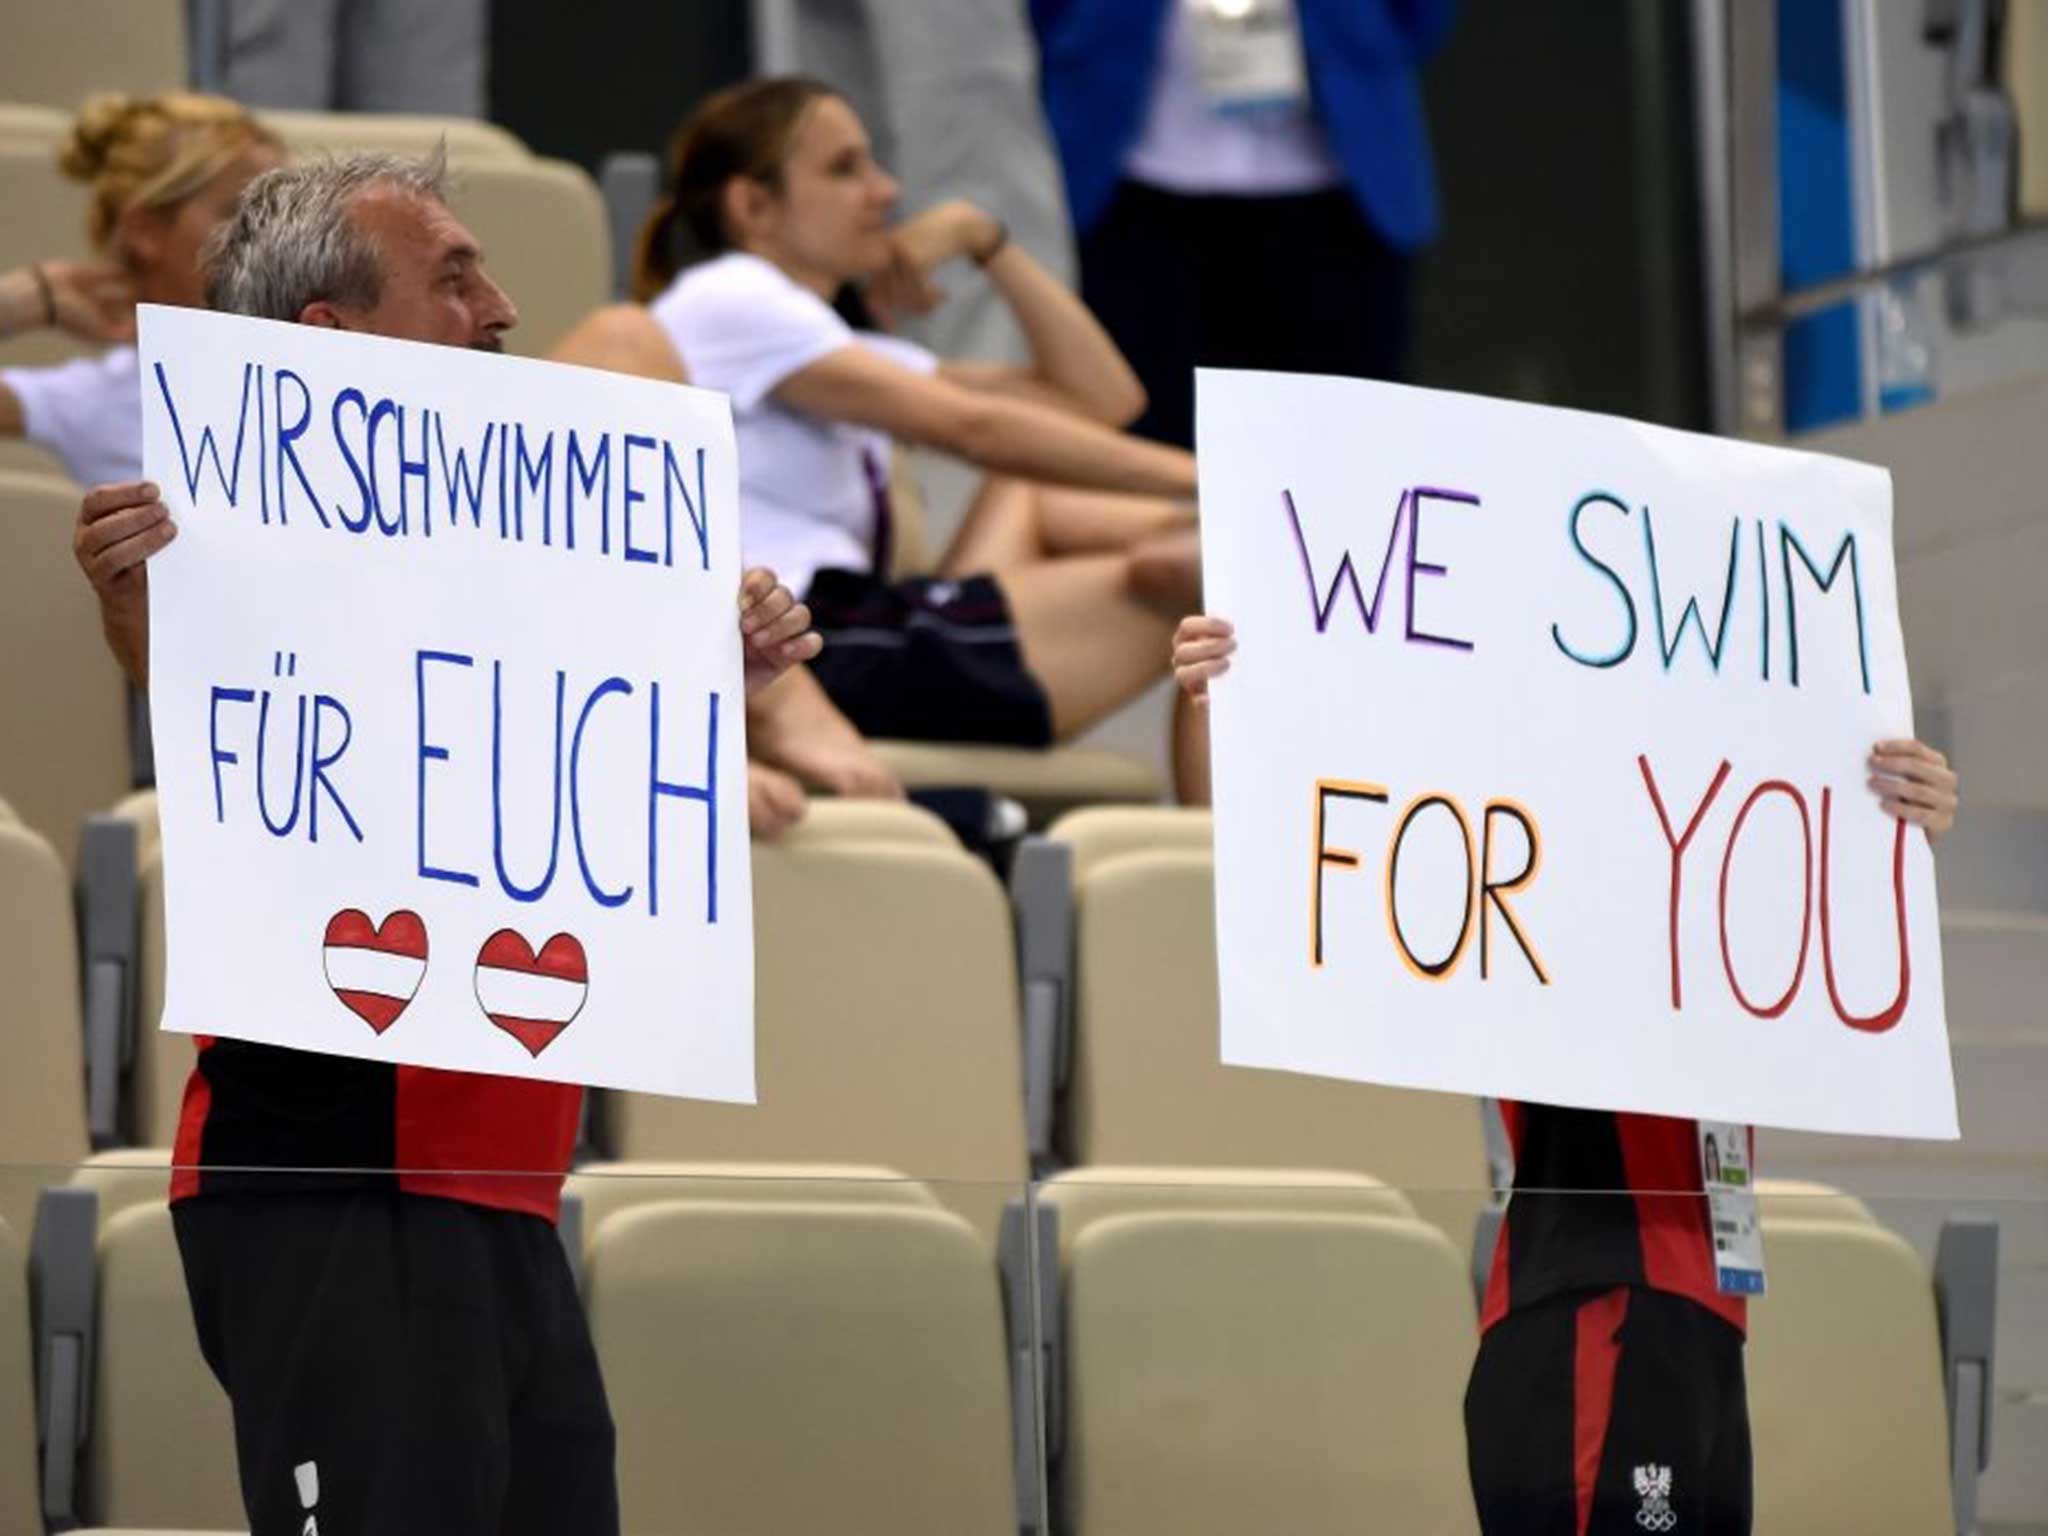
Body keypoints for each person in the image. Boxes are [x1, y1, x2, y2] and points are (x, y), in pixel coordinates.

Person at [69, 150, 821, 1536]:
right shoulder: (225, 546)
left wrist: (715, 675)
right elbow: (199, 680)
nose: (503, 307)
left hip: (509, 1179)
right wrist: (137, 609)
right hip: (336, 1170)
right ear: (333, 340)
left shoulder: (533, 555)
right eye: (457, 276)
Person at [1171, 612, 1961, 1534]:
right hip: (1592, 1299)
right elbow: (1335, 847)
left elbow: (1820, 917)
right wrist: (1248, 697)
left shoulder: (1722, 876)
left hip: (1702, 1316)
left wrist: (1897, 830)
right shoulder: (1542, 863)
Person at [636, 76, 1211, 801]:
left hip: (864, 623)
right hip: (814, 641)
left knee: (1044, 486)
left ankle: (1233, 538)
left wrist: (984, 238)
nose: (885, 190)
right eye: (845, 169)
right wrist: (1217, 478)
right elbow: (974, 429)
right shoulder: (732, 296)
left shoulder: (824, 340)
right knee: (1214, 590)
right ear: (753, 206)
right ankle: (1224, 891)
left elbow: (1099, 400)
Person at [1031, 0, 1456, 447]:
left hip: (1334, 189)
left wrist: (1366, 44)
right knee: (1140, 427)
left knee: (1339, 435)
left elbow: (1420, 18)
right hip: (1134, 183)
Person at [0, 92, 284, 485]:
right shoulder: (95, 400)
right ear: (145, 230)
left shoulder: (327, 355)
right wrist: (26, 299)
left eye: (285, 211)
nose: (276, 235)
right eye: (238, 212)